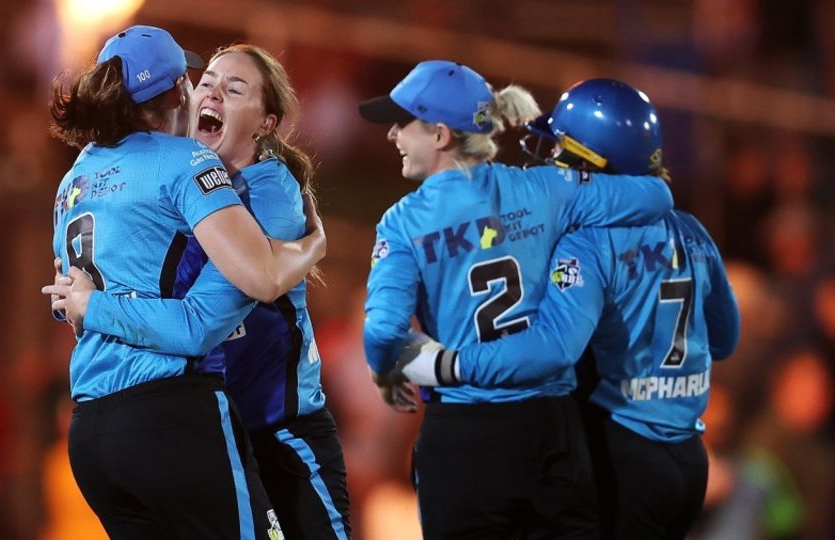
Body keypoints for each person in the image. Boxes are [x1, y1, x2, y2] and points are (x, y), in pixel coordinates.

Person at [395, 79, 741, 540]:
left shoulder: (587, 242)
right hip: (688, 461)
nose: (553, 161)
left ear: (593, 163)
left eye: (562, 150)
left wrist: (446, 364)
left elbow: (555, 346)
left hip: (621, 455)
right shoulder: (692, 231)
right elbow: (725, 337)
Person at [48, 44, 350, 539]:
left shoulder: (268, 187)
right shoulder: (171, 184)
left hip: (278, 431)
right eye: (206, 81)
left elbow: (229, 300)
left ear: (266, 124)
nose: (210, 92)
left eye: (234, 89)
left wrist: (313, 243)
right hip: (204, 426)